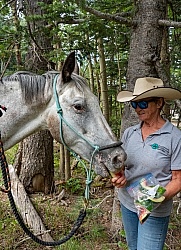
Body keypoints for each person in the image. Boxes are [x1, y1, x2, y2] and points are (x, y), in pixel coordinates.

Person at [111, 77, 181, 250]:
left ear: (159, 103)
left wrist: (157, 198)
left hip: (155, 210)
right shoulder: (129, 133)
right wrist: (120, 177)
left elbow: (178, 179)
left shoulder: (174, 137)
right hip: (128, 204)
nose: (137, 109)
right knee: (133, 247)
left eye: (143, 104)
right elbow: (124, 168)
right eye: (135, 104)